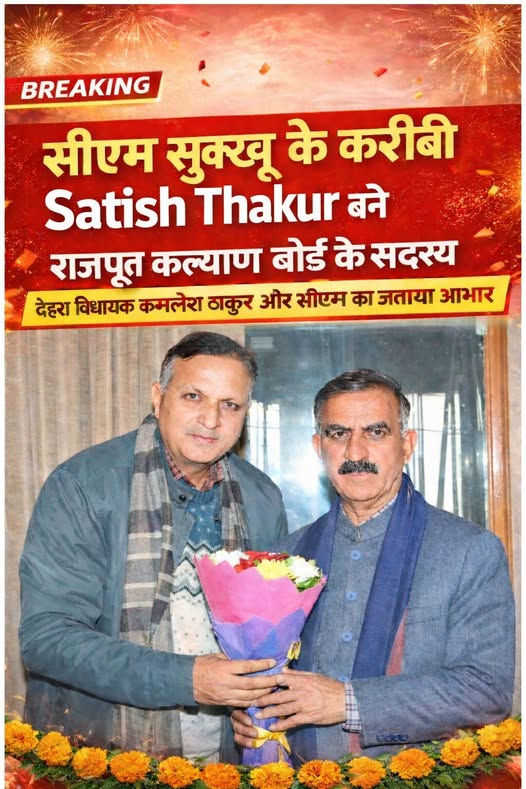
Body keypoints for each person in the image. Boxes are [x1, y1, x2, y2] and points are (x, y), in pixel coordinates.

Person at [19, 331, 288, 762]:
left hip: (225, 759)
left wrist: (259, 698)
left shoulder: (261, 497)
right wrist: (188, 680)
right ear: (158, 398)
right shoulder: (83, 485)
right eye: (193, 397)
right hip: (100, 756)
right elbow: (48, 639)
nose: (211, 420)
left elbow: (271, 633)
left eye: (230, 405)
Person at [232, 369, 515, 764]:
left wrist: (348, 702)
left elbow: (487, 692)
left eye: (376, 432)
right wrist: (254, 714)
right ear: (318, 446)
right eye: (338, 434)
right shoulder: (284, 556)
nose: (355, 453)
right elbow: (267, 675)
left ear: (407, 444)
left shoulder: (468, 550)